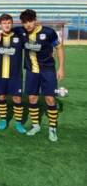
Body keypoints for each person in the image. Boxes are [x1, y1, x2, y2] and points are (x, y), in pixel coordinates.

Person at [16, 9, 64, 142]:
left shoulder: (48, 32)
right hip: (31, 71)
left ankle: (52, 128)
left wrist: (61, 68)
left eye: (30, 21)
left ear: (35, 20)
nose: (28, 25)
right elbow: (5, 30)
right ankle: (36, 125)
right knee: (32, 98)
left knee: (50, 99)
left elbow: (59, 48)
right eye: (25, 22)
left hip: (48, 70)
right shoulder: (20, 31)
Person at [0, 14, 26, 133]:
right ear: (0, 25)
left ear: (12, 24)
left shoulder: (19, 36)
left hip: (15, 75)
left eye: (9, 23)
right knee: (1, 96)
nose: (6, 25)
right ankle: (3, 120)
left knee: (17, 98)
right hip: (0, 74)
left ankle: (18, 122)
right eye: (4, 23)